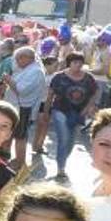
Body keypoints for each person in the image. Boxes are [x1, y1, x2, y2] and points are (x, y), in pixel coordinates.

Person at [45, 51, 100, 181]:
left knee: (71, 141)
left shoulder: (88, 78)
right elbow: (50, 95)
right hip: (60, 110)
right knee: (63, 138)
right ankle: (61, 168)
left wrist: (89, 107)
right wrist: (46, 113)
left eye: (80, 62)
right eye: (75, 62)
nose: (78, 65)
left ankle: (62, 160)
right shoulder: (59, 77)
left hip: (79, 112)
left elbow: (95, 92)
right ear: (69, 63)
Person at [2, 46, 47, 170]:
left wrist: (9, 80)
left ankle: (20, 162)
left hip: (23, 108)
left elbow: (22, 90)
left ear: (27, 58)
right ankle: (7, 155)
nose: (16, 62)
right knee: (13, 134)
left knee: (20, 136)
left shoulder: (36, 71)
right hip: (16, 106)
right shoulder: (27, 69)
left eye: (18, 59)